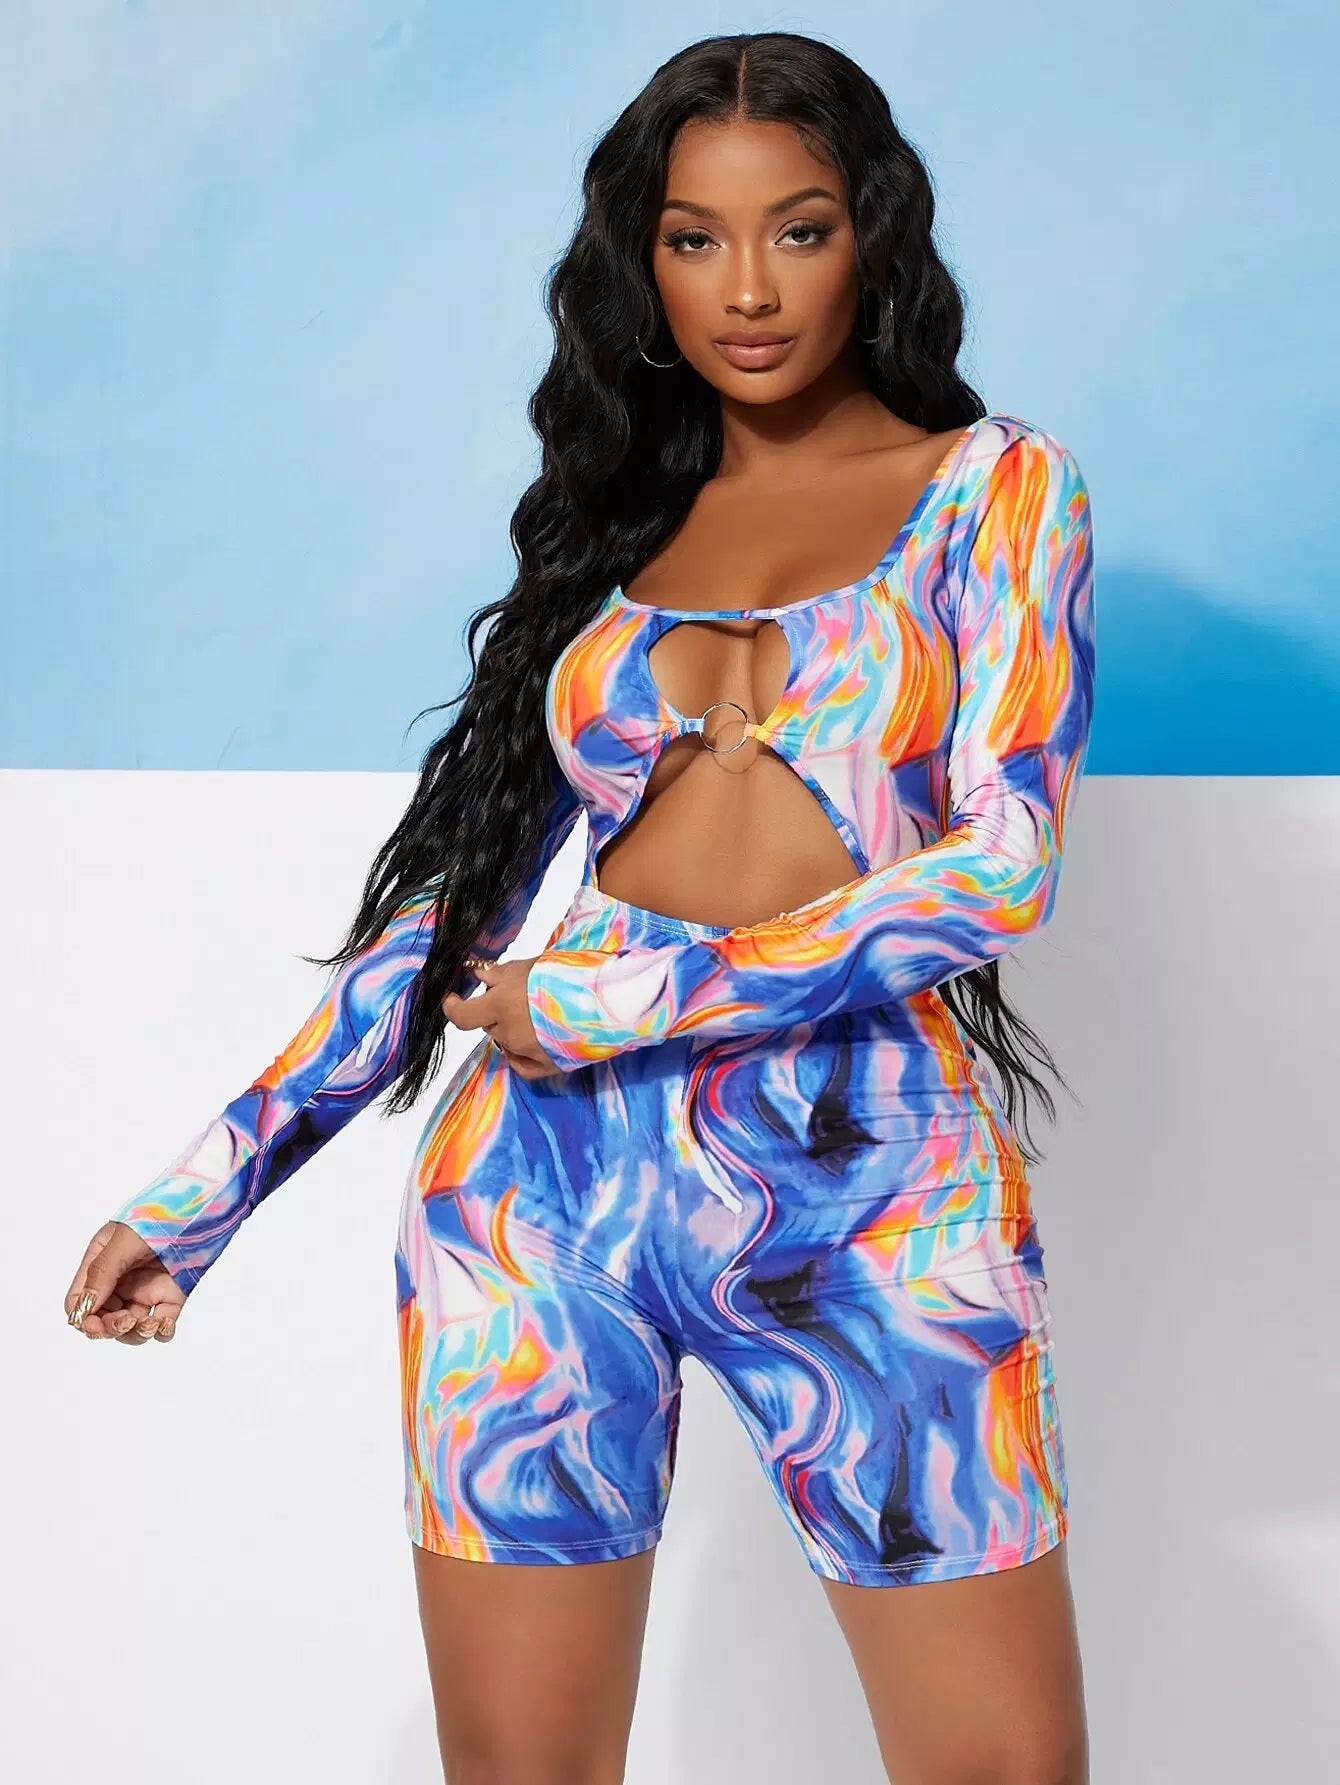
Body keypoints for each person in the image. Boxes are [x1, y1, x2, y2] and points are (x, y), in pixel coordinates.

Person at [64, 30, 1096, 1785]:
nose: (748, 288)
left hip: (872, 1176)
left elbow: (1003, 864)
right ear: (643, 261)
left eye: (800, 229)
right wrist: (207, 1189)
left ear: (874, 238)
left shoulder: (997, 489)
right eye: (695, 238)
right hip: (534, 1192)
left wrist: (621, 1001)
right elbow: (451, 917)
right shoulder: (617, 523)